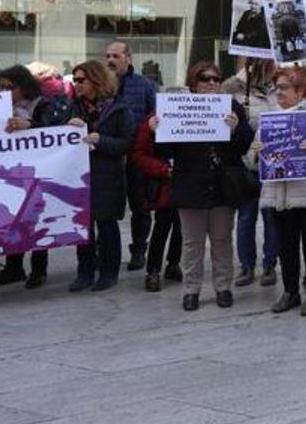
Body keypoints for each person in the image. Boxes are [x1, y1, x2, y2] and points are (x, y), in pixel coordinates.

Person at [155, 61, 252, 310]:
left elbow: (244, 145)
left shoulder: (232, 107)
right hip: (190, 184)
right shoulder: (177, 107)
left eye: (215, 79)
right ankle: (191, 290)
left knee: (222, 240)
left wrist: (235, 129)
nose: (211, 83)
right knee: (192, 242)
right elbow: (165, 151)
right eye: (205, 79)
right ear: (193, 82)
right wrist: (157, 130)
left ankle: (223, 287)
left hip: (222, 184)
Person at [246, 67, 306, 316]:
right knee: (286, 248)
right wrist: (256, 152)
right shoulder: (270, 120)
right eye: (276, 88)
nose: (278, 93)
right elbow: (250, 160)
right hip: (279, 198)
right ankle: (290, 292)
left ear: (301, 91)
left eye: (283, 88)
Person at [0, 65, 72, 288]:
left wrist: (30, 125)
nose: (5, 91)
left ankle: (39, 270)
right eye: (1, 87)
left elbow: (54, 130)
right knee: (12, 218)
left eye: (11, 87)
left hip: (38, 172)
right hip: (11, 172)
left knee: (36, 219)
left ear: (24, 87)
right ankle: (13, 267)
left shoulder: (43, 104)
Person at [68, 59, 136, 292]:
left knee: (107, 227)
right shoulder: (73, 107)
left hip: (108, 177)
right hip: (80, 177)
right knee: (83, 227)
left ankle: (109, 273)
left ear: (96, 81)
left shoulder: (118, 109)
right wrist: (67, 127)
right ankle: (84, 272)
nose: (76, 84)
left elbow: (127, 143)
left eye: (81, 80)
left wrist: (101, 140)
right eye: (74, 79)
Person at [223, 58, 280, 287]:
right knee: (246, 216)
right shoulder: (232, 89)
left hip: (272, 162)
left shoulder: (278, 87)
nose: (276, 67)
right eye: (271, 64)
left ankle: (270, 265)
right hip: (246, 163)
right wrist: (241, 120)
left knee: (271, 217)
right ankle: (246, 265)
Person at [103, 40, 156, 273]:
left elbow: (155, 114)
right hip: (108, 155)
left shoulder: (144, 85)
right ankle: (104, 251)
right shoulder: (101, 85)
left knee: (140, 206)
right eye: (108, 56)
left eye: (116, 56)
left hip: (136, 155)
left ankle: (139, 250)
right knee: (106, 207)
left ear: (128, 58)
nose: (110, 60)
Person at [129, 112, 182, 291]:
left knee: (182, 227)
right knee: (162, 226)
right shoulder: (152, 120)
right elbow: (139, 154)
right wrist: (164, 170)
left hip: (186, 181)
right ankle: (153, 270)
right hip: (165, 184)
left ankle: (173, 263)